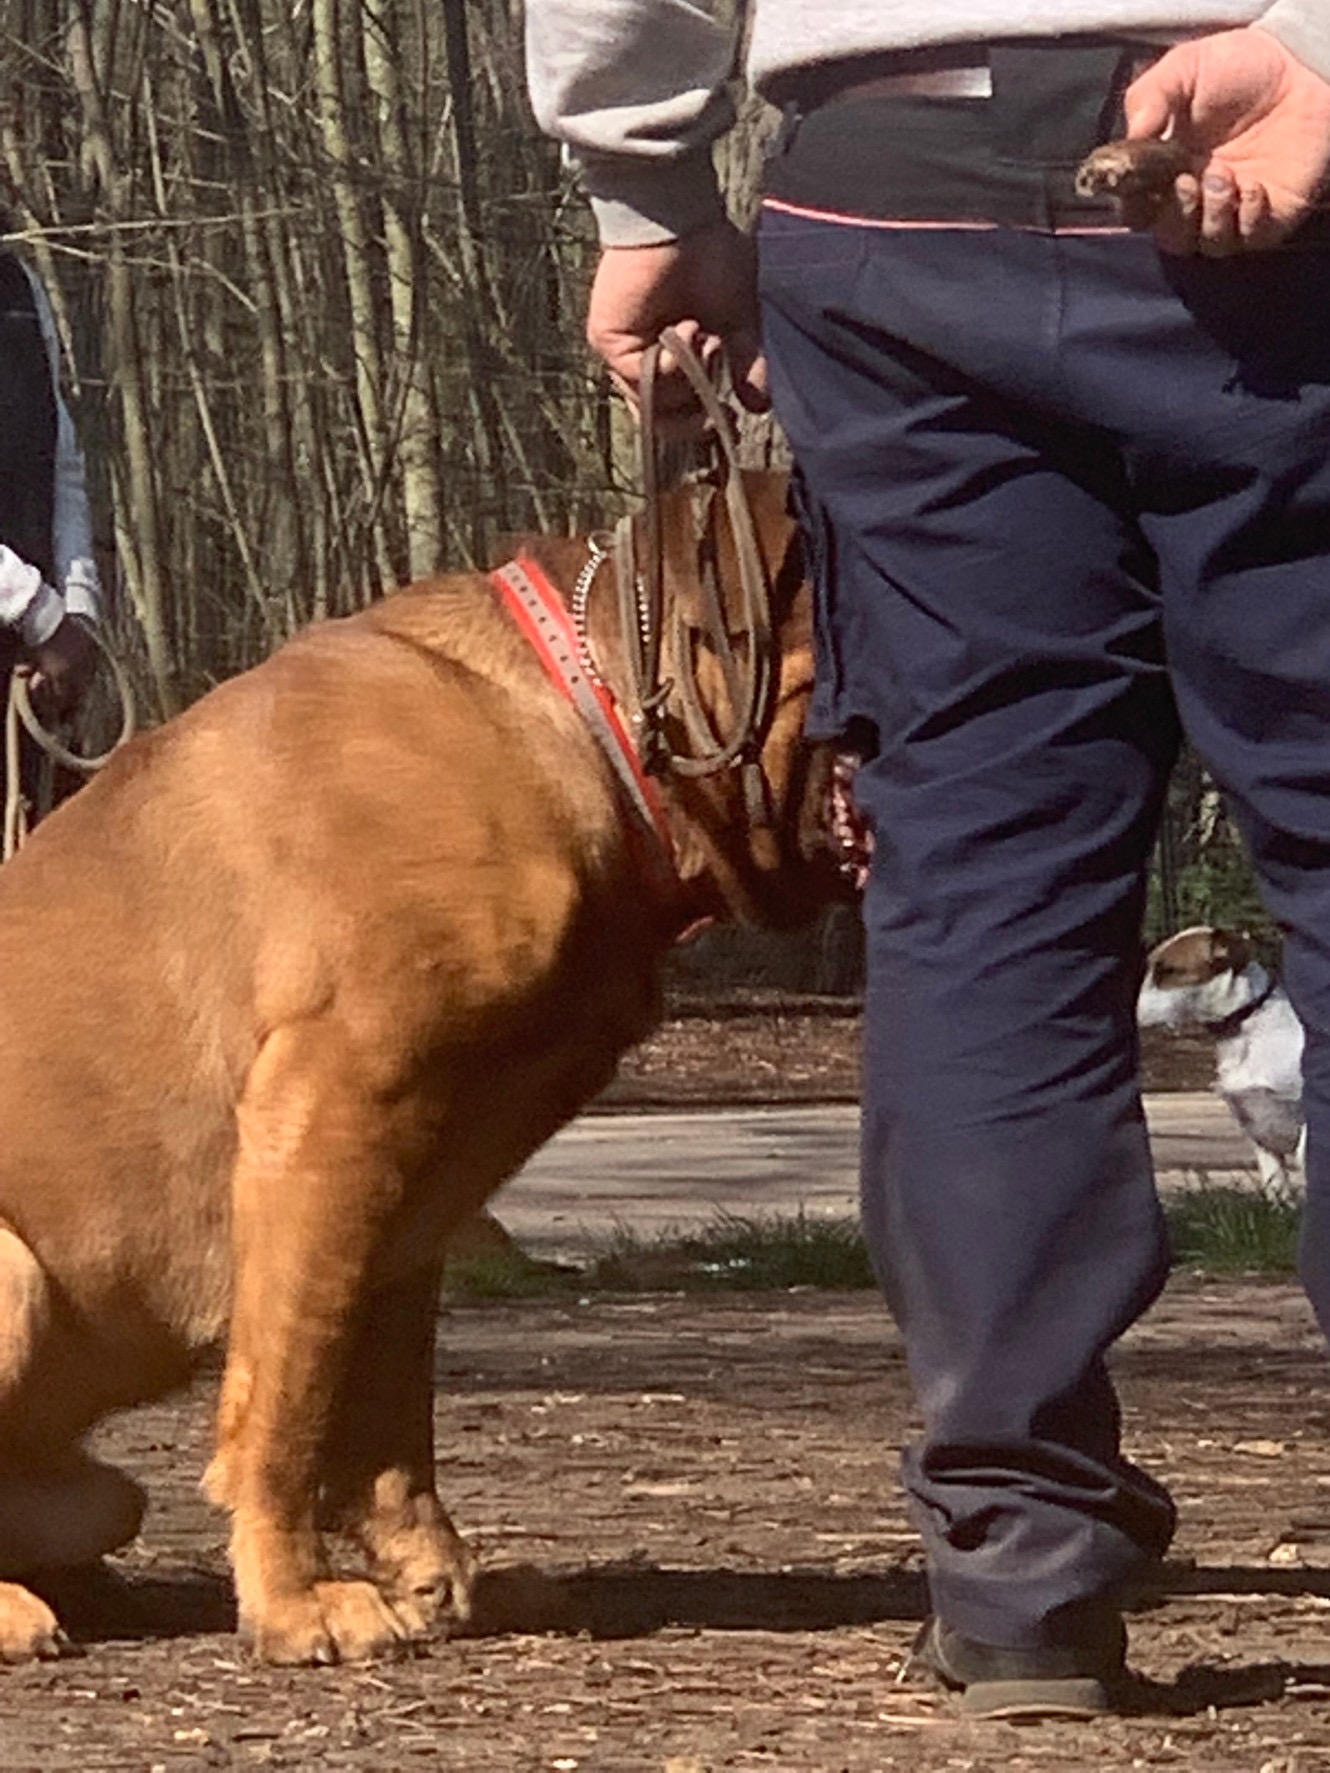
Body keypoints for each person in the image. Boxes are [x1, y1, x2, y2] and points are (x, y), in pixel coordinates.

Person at [524, 0, 1330, 1720]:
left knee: (984, 883)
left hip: (894, 197)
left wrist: (646, 183)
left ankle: (1018, 1567)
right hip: (1279, 178)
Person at [0, 235, 103, 740]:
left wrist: (79, 607)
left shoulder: (19, 287)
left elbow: (61, 462)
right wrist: (37, 612)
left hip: (29, 671)